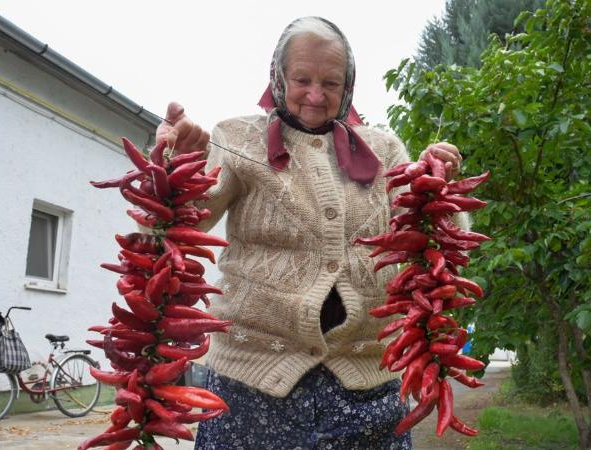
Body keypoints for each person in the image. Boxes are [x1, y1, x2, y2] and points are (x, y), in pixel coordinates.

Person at [156, 16, 463, 449]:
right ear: (278, 77)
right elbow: (173, 232)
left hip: (367, 387)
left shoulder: (386, 149)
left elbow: (436, 246)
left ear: (349, 84)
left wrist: (438, 185)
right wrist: (173, 170)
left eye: (331, 83)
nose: (316, 96)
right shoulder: (236, 138)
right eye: (302, 79)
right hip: (251, 388)